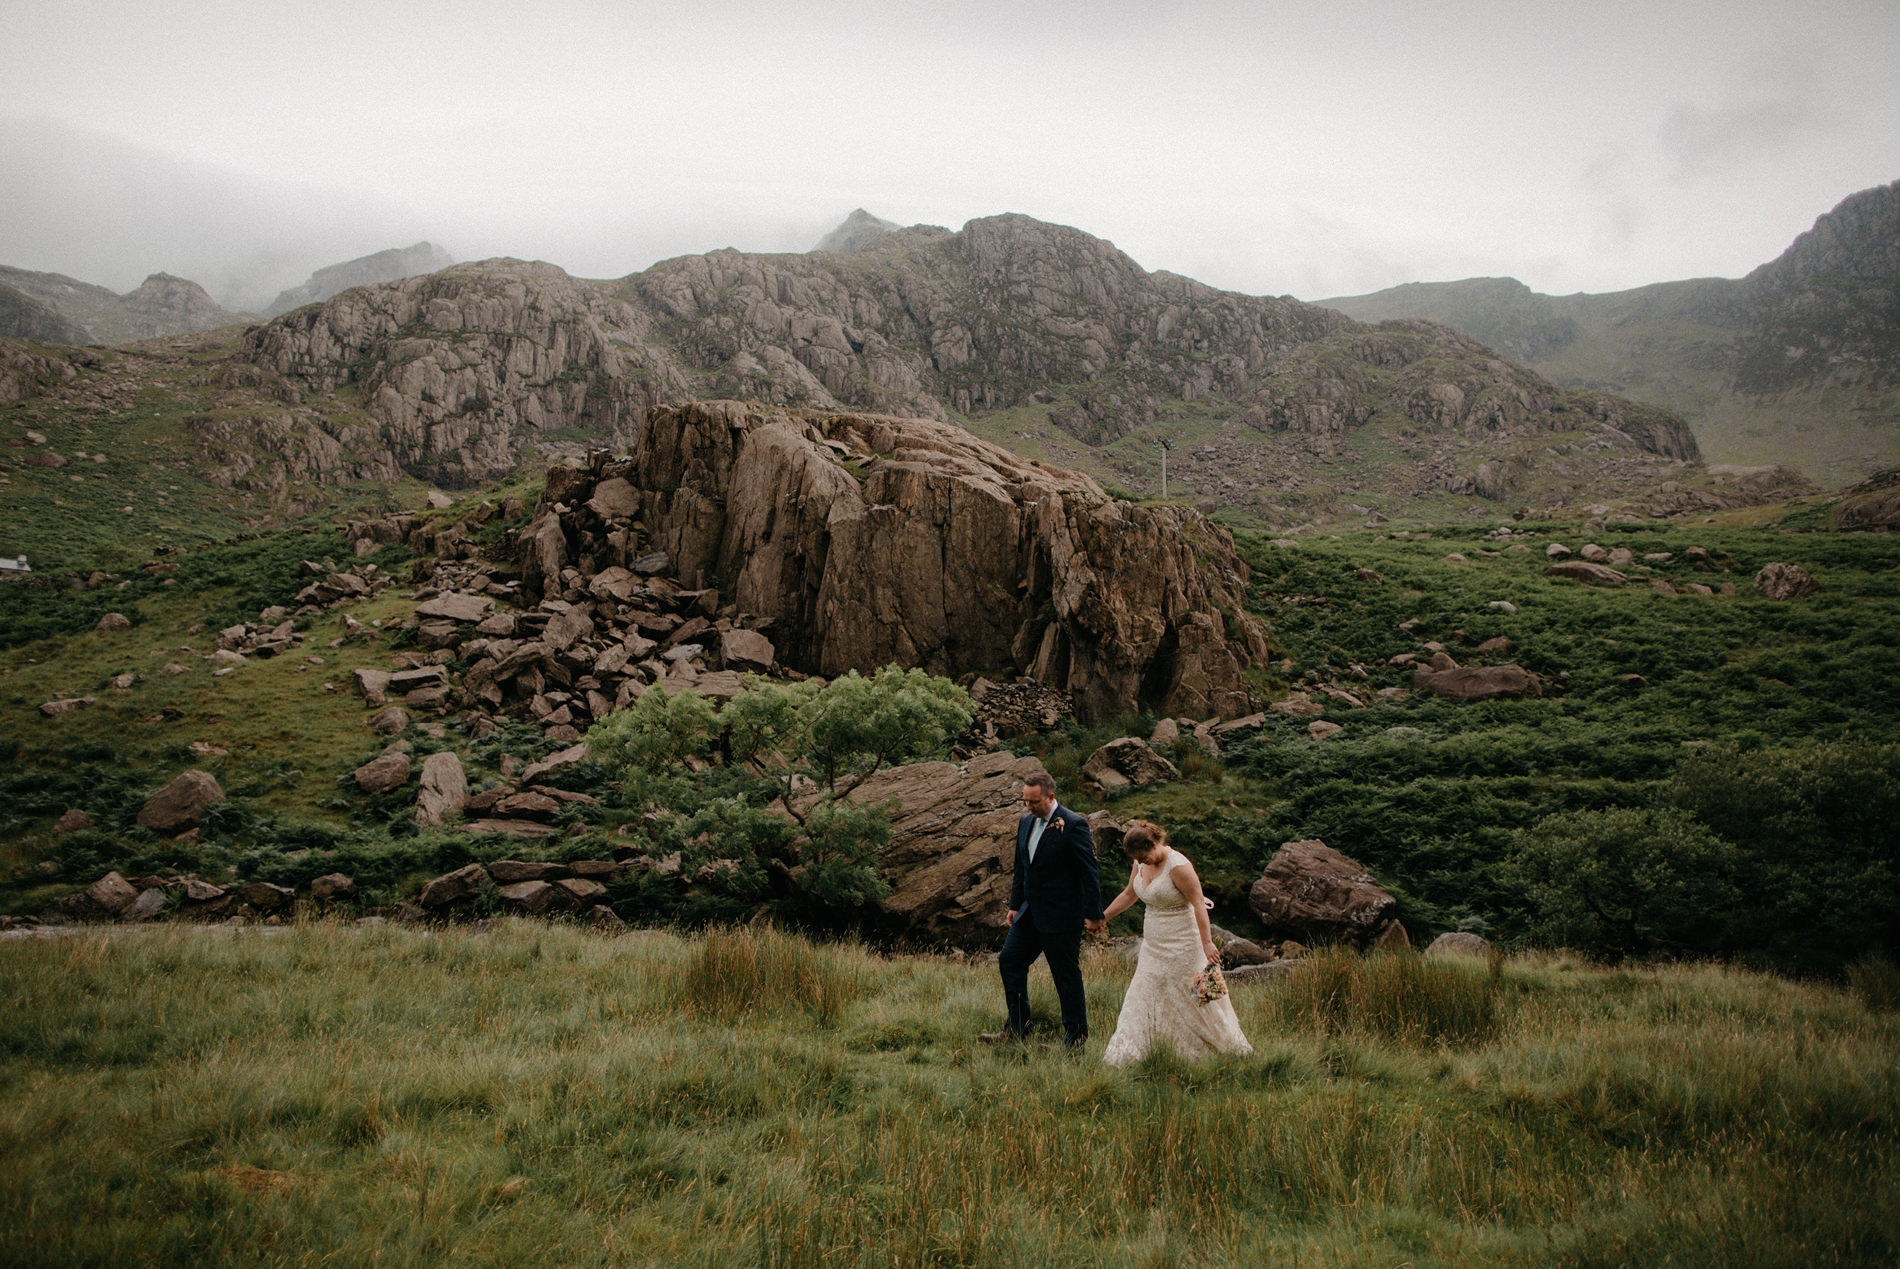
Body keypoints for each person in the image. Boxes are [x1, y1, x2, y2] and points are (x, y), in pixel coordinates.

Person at [1100, 821, 1253, 1067]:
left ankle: (1219, 1050)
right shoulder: (1139, 863)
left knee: (1196, 998)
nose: (1142, 863)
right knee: (1143, 994)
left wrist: (1206, 944)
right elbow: (1130, 894)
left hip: (1184, 944)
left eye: (1144, 857)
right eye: (1137, 859)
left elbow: (1198, 905)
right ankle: (1140, 1054)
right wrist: (1102, 917)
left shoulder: (1179, 867)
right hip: (1153, 945)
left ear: (1153, 844)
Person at [980, 772, 1105, 1048]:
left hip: (1062, 916)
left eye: (1034, 802)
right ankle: (1017, 1028)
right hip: (1029, 913)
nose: (1028, 807)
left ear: (1050, 797)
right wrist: (1014, 905)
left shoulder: (1074, 825)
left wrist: (1094, 914)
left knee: (1066, 976)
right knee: (1009, 961)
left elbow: (1089, 873)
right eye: (1025, 801)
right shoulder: (1025, 822)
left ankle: (1074, 1041)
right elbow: (1022, 868)